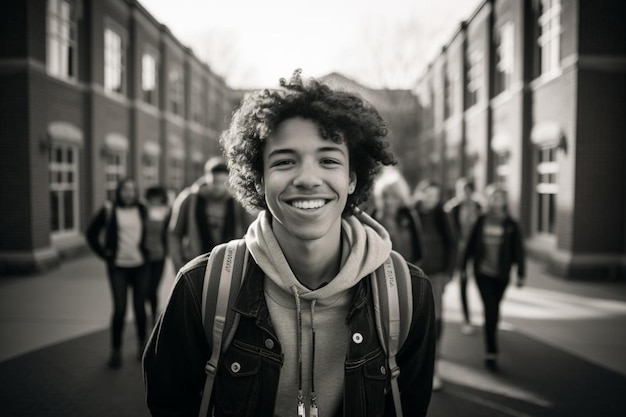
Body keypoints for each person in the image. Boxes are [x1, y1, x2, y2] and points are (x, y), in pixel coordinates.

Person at [143, 70, 436, 416]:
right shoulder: (201, 287)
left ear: (352, 178)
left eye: (328, 160)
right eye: (284, 161)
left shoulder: (406, 293)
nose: (308, 179)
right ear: (259, 178)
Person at [461, 184, 526, 371]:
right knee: (490, 308)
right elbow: (470, 246)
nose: (496, 200)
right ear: (488, 200)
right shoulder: (481, 220)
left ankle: (491, 330)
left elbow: (518, 251)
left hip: (502, 274)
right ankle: (491, 350)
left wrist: (521, 273)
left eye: (499, 197)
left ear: (505, 200)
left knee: (494, 307)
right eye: (492, 197)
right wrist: (463, 266)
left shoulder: (511, 224)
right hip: (483, 273)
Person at [86, 178, 148, 369]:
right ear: (119, 192)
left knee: (139, 308)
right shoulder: (109, 210)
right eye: (125, 190)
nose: (128, 193)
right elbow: (91, 234)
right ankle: (116, 350)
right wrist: (105, 254)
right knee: (120, 309)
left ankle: (142, 347)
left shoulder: (143, 209)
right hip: (118, 267)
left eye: (132, 190)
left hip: (141, 266)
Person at [168, 156, 252, 272]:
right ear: (207, 178)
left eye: (222, 182)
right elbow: (175, 234)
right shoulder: (189, 199)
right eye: (215, 181)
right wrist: (179, 264)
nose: (218, 187)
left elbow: (249, 233)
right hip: (194, 264)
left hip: (228, 266)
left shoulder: (236, 202)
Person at [413, 179, 456, 391]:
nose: (432, 200)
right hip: (412, 274)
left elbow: (452, 244)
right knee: (411, 320)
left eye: (435, 196)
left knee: (435, 320)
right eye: (428, 194)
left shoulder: (441, 216)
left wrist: (449, 272)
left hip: (437, 274)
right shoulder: (410, 214)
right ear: (420, 193)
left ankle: (435, 367)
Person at [444, 178, 483, 335]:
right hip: (460, 253)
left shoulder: (478, 207)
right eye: (461, 191)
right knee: (463, 282)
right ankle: (466, 319)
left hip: (476, 251)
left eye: (467, 191)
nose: (464, 194)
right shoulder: (452, 208)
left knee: (480, 283)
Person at [372, 167, 423, 266]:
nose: (389, 201)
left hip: (408, 270)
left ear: (400, 198)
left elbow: (418, 250)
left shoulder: (409, 216)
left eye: (394, 196)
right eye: (385, 195)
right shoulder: (373, 219)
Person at [143, 185, 171, 326]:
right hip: (143, 257)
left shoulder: (166, 212)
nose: (155, 201)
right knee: (145, 289)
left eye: (158, 198)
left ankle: (153, 316)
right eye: (153, 198)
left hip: (159, 256)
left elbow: (170, 233)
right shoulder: (142, 211)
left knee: (153, 289)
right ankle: (146, 316)